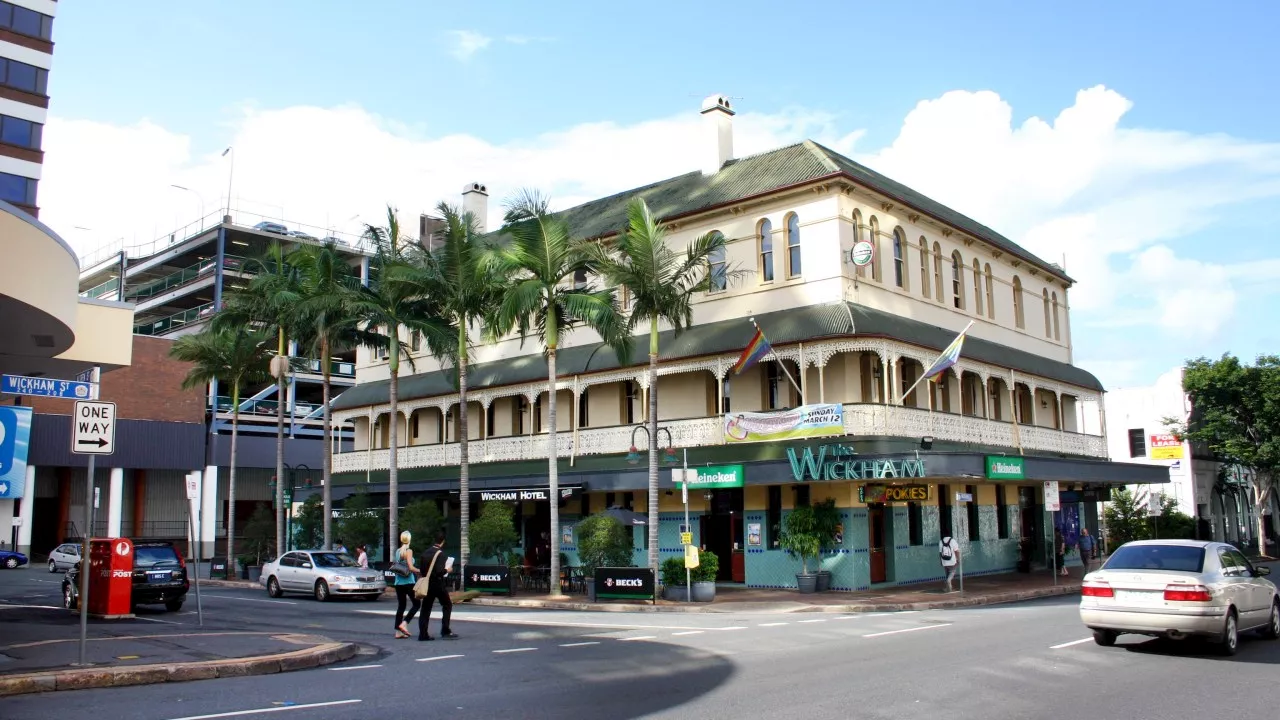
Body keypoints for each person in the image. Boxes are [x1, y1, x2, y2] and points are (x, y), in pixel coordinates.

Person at [418, 530, 457, 641]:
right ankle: (445, 630)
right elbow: (439, 572)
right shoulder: (440, 554)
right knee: (447, 605)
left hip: (427, 584)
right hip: (437, 584)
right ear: (443, 541)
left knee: (425, 608)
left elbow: (421, 570)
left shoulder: (425, 553)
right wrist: (447, 570)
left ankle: (423, 633)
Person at [392, 532, 421, 639]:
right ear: (409, 540)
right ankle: (404, 623)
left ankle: (398, 631)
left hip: (398, 582)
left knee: (401, 606)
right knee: (417, 604)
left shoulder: (398, 551)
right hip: (408, 582)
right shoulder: (409, 551)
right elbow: (411, 567)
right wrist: (420, 570)